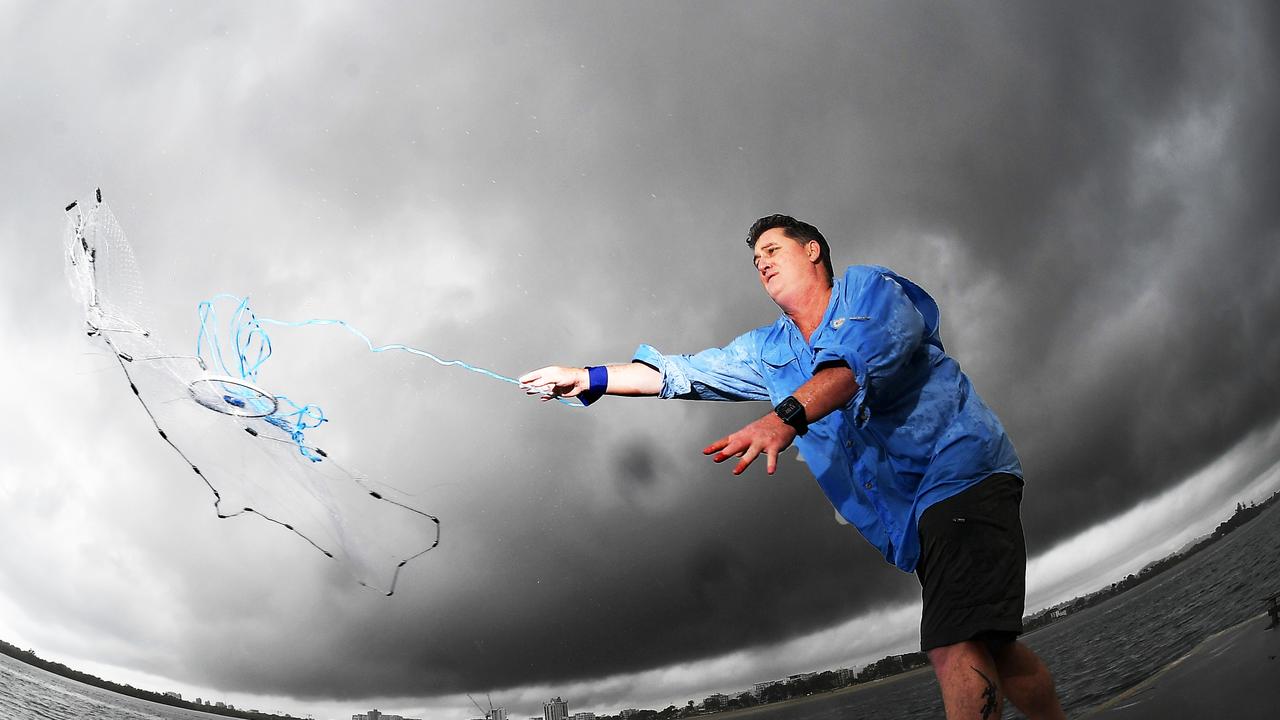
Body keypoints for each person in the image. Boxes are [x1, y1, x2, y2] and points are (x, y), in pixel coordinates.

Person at [519, 215, 1065, 720]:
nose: (762, 263)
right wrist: (585, 376)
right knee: (996, 645)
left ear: (813, 250)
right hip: (915, 514)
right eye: (756, 261)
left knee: (952, 644)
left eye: (772, 249)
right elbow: (678, 373)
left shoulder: (870, 290)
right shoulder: (767, 350)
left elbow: (856, 362)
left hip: (963, 473)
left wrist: (783, 420)